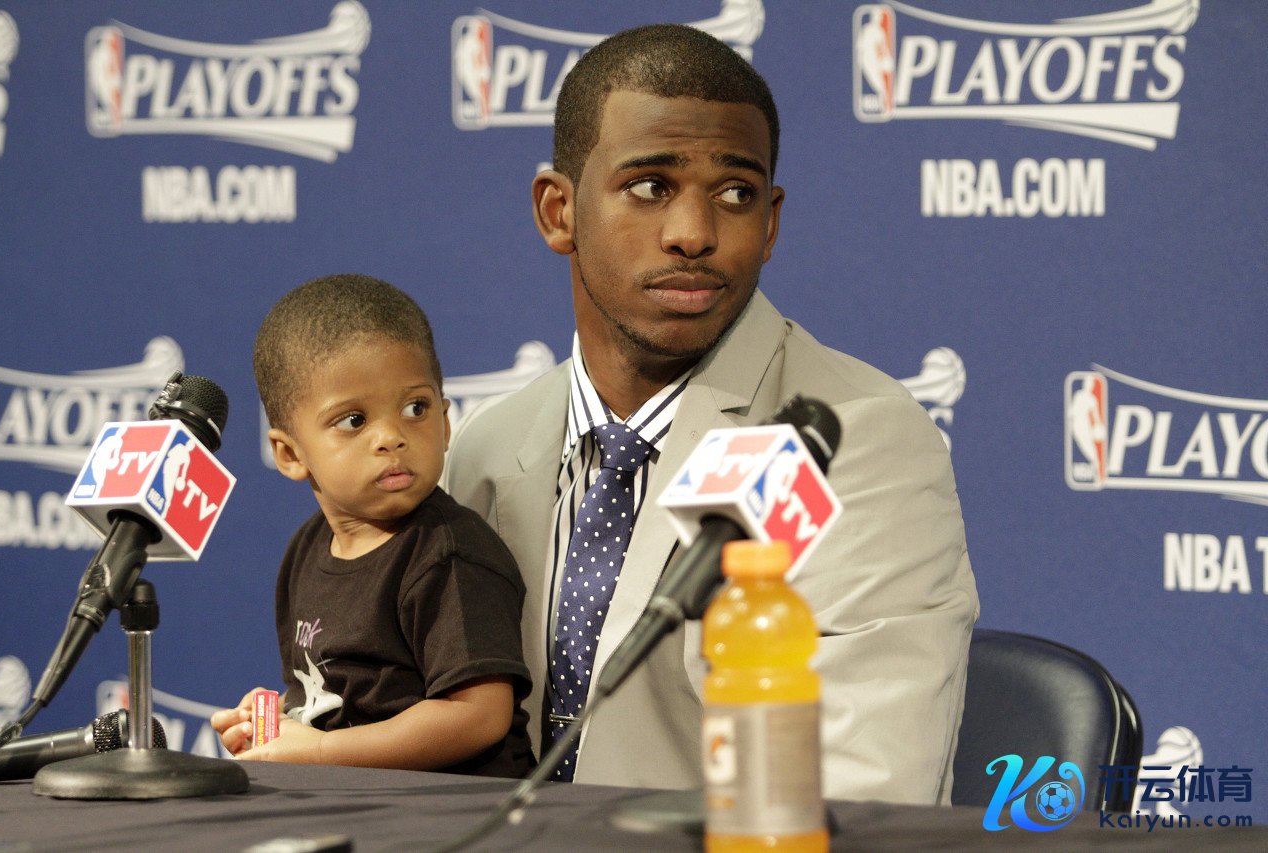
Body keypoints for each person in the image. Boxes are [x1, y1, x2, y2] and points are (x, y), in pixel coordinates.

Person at [443, 24, 978, 804]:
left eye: (735, 194)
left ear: (771, 223)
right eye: (650, 186)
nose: (694, 234)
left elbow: (860, 796)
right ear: (559, 211)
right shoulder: (487, 448)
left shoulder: (850, 441)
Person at [211, 274, 535, 778]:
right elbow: (335, 701)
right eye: (354, 421)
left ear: (445, 422)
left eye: (415, 409)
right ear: (290, 454)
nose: (391, 437)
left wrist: (320, 752)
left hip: (457, 812)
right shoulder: (306, 548)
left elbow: (478, 716)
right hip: (355, 801)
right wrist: (278, 725)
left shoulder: (449, 554)